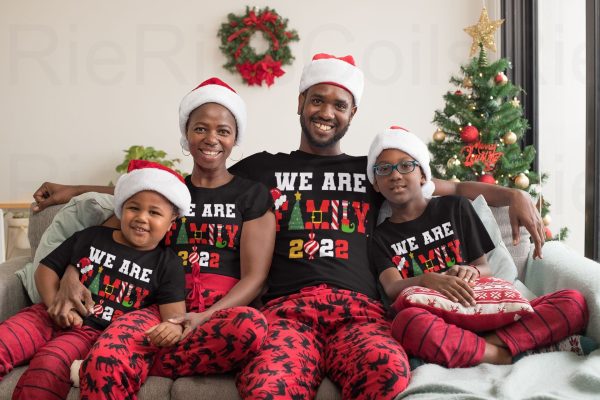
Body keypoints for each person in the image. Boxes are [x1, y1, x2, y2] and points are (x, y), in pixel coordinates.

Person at [32, 54, 545, 399]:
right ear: (299, 104)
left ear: (351, 114)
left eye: (339, 104)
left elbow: (443, 185)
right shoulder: (260, 170)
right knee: (269, 388)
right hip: (285, 313)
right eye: (317, 100)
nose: (326, 111)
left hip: (360, 312)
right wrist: (74, 194)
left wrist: (512, 192)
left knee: (387, 371)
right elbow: (159, 191)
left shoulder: (373, 173)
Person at [76, 77, 276, 400]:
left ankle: (141, 361)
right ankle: (123, 360)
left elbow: (255, 277)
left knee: (251, 327)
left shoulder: (252, 195)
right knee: (103, 360)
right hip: (160, 308)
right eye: (200, 128)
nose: (211, 139)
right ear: (186, 133)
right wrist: (72, 270)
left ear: (235, 137)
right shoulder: (167, 193)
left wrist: (201, 318)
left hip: (219, 314)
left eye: (223, 130)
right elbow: (104, 236)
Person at [367, 126, 594, 368]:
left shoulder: (455, 208)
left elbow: (483, 267)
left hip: (487, 308)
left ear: (423, 174)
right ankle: (507, 353)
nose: (395, 175)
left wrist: (472, 272)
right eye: (384, 169)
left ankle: (479, 346)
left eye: (406, 165)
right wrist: (426, 280)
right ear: (377, 184)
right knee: (406, 324)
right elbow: (392, 287)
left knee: (573, 302)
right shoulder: (380, 237)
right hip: (438, 318)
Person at [1, 160, 191, 400]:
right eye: (134, 208)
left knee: (47, 368)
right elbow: (46, 269)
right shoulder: (92, 237)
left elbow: (173, 316)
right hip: (43, 315)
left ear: (171, 221)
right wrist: (53, 305)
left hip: (87, 331)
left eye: (154, 213)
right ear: (121, 208)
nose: (142, 218)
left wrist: (173, 327)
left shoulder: (167, 263)